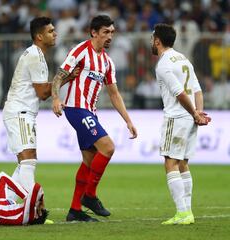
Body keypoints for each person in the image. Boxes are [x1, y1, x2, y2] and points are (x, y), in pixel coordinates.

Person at [51, 15, 138, 222]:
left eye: (112, 32)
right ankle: (89, 196)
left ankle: (75, 211)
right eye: (106, 32)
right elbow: (59, 76)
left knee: (89, 162)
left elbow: (115, 94)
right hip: (75, 108)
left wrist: (128, 120)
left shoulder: (107, 62)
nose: (110, 36)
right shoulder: (80, 51)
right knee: (107, 147)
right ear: (94, 32)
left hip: (90, 112)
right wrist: (55, 98)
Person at [2, 17, 76, 196]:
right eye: (50, 31)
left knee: (25, 162)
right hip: (20, 112)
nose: (55, 33)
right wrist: (67, 77)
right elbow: (43, 93)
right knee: (28, 161)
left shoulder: (35, 53)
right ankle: (35, 208)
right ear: (39, 36)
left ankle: (6, 201)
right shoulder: (35, 55)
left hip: (21, 111)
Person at [150, 23, 211, 225]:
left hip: (176, 117)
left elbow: (179, 93)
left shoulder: (164, 63)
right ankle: (188, 212)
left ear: (157, 40)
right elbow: (197, 89)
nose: (151, 41)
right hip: (190, 118)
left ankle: (182, 213)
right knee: (183, 163)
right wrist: (198, 113)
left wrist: (195, 112)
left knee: (170, 162)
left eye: (152, 38)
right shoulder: (183, 58)